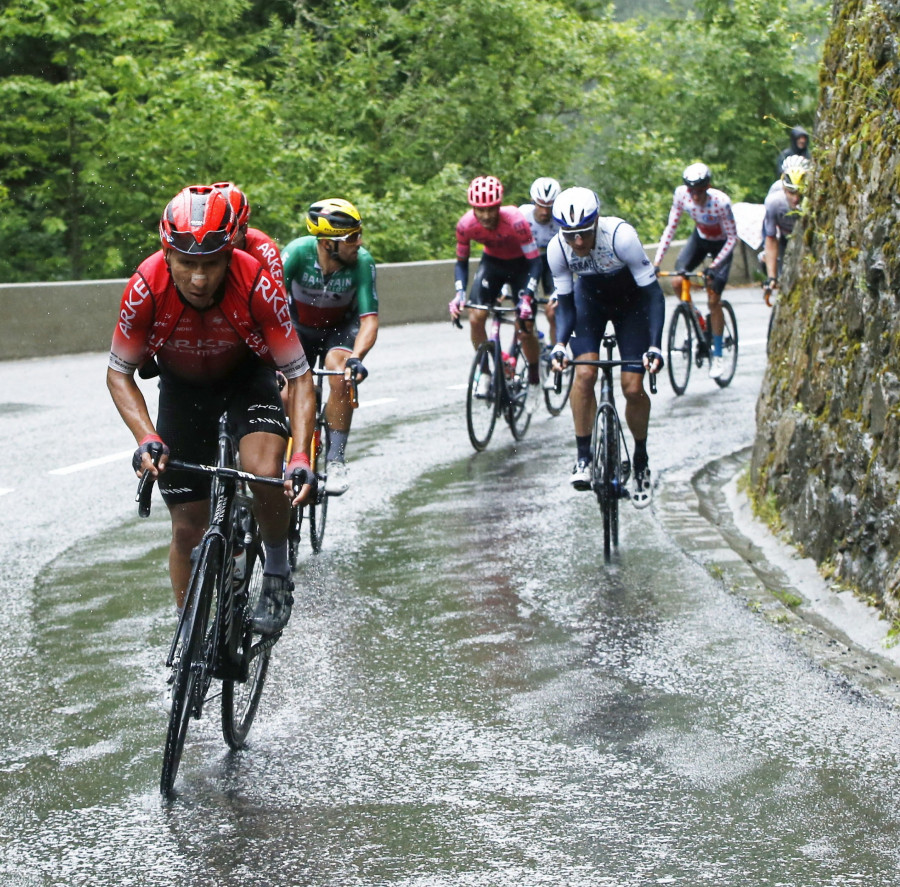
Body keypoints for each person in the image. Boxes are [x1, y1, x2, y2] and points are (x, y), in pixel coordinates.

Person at [107, 184, 317, 636]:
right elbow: (119, 373)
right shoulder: (144, 286)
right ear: (167, 256)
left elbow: (299, 377)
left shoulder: (257, 281)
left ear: (230, 256)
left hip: (247, 380)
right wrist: (147, 436)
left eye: (211, 265)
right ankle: (188, 631)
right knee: (187, 527)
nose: (199, 279)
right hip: (183, 390)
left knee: (263, 471)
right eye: (187, 264)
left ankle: (278, 571)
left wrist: (300, 456)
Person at [547, 187, 664, 506]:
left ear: (596, 221)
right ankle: (583, 458)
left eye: (584, 233)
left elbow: (653, 294)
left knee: (631, 386)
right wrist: (559, 344)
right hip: (589, 305)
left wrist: (655, 346)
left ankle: (640, 461)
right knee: (584, 375)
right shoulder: (558, 248)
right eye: (571, 236)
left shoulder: (621, 236)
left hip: (632, 305)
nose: (579, 243)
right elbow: (567, 304)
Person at [281, 198, 377, 496]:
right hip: (298, 327)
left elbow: (369, 321)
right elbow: (271, 309)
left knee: (341, 376)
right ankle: (287, 446)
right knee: (285, 389)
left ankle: (335, 460)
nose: (359, 243)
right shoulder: (296, 253)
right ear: (326, 244)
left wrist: (357, 358)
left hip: (339, 331)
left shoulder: (363, 262)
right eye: (352, 238)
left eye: (359, 234)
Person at [449, 175, 544, 409]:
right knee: (476, 317)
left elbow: (535, 263)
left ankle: (534, 379)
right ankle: (486, 372)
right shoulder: (465, 225)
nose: (486, 215)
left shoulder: (516, 221)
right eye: (480, 210)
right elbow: (461, 262)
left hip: (522, 266)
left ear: (499, 206)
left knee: (526, 327)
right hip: (492, 265)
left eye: (491, 209)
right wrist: (459, 293)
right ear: (473, 208)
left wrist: (527, 296)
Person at [652, 162, 737, 379]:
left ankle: (717, 355)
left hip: (721, 245)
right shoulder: (681, 195)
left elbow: (732, 239)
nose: (696, 197)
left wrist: (715, 266)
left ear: (707, 188)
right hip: (700, 240)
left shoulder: (721, 203)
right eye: (692, 192)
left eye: (700, 192)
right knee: (679, 282)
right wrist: (656, 262)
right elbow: (670, 228)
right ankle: (700, 322)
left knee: (713, 299)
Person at [213, 181, 286, 295]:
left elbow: (279, 295)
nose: (224, 242)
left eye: (232, 235)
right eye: (216, 235)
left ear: (244, 229)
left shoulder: (264, 247)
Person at [762, 155, 811, 303]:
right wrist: (771, 276)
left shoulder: (814, 198)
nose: (795, 199)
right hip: (785, 239)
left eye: (799, 193)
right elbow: (771, 238)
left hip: (806, 238)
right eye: (790, 192)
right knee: (786, 282)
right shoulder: (774, 201)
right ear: (783, 187)